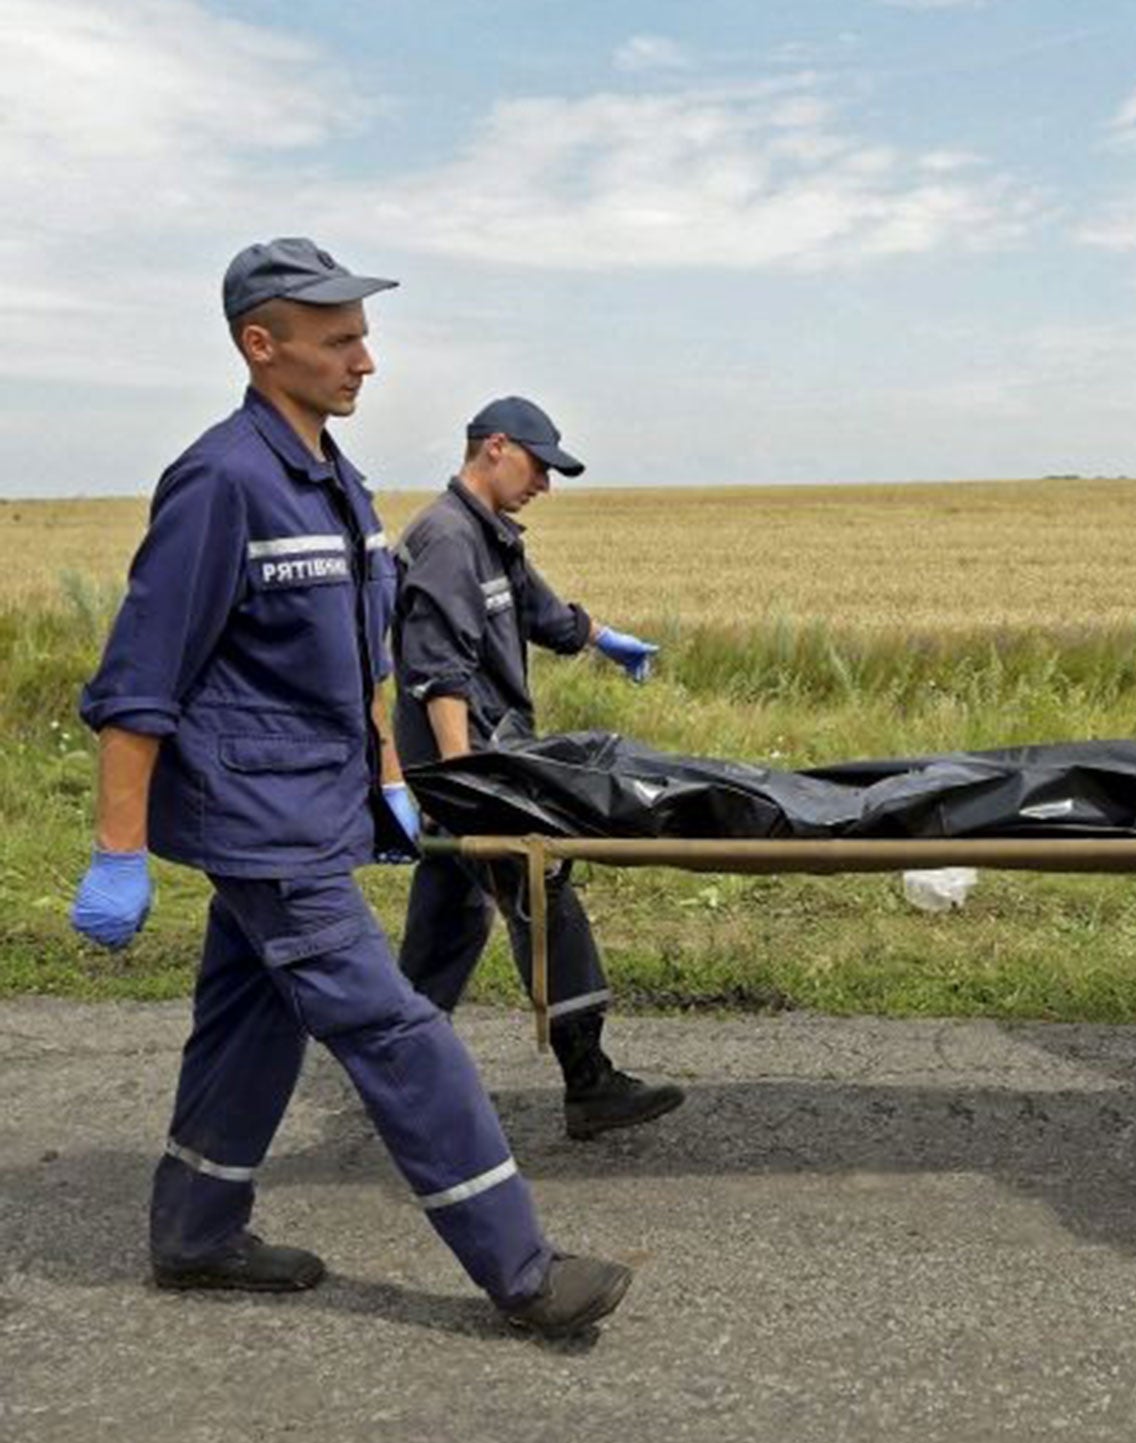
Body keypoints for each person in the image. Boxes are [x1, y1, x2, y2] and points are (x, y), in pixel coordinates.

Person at [68, 237, 632, 1338]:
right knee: (396, 1028)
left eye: (363, 337)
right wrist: (119, 849)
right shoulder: (222, 481)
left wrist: (387, 775)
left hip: (316, 808)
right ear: (260, 344)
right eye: (337, 341)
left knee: (250, 1019)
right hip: (260, 823)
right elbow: (140, 684)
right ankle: (522, 1271)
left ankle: (194, 1235)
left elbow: (353, 660)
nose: (364, 360)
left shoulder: (335, 481)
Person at [391, 396, 684, 1140]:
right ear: (496, 447)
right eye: (539, 467)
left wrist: (603, 636)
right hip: (470, 765)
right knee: (541, 893)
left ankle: (396, 1064)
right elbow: (438, 672)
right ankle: (588, 1081)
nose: (545, 487)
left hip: (486, 759)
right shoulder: (448, 541)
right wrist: (464, 784)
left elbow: (541, 613)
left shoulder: (489, 538)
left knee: (448, 920)